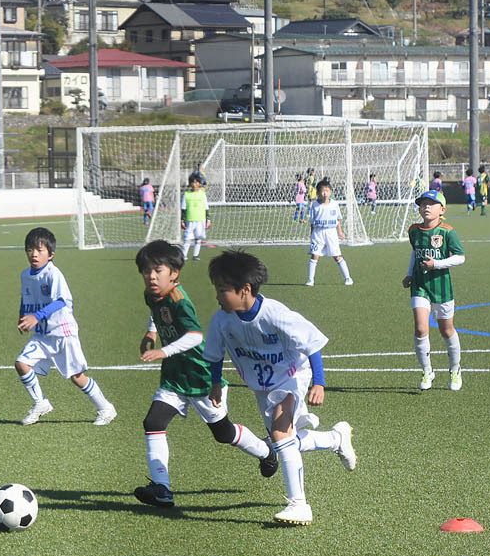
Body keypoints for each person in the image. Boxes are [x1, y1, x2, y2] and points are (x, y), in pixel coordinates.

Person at [203, 249, 357, 525]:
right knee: (286, 440)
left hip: (292, 376)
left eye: (223, 289)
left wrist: (319, 382)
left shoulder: (275, 314)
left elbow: (312, 343)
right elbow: (215, 354)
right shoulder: (221, 320)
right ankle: (336, 438)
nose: (217, 295)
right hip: (262, 386)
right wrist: (216, 383)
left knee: (279, 430)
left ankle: (299, 504)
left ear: (245, 289)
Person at [133, 240, 276, 509]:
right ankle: (162, 488)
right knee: (153, 422)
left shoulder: (179, 300)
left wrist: (163, 351)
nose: (151, 277)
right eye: (146, 271)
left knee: (223, 433)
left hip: (200, 377)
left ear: (174, 273)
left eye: (157, 271)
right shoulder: (151, 294)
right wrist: (151, 332)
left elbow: (194, 336)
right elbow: (155, 311)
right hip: (175, 378)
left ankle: (266, 451)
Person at [15, 227, 117, 426]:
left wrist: (36, 316)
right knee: (21, 364)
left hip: (63, 332)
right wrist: (22, 316)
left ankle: (106, 408)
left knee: (77, 377)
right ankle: (41, 403)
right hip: (42, 335)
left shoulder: (54, 274)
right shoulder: (25, 275)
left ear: (51, 254)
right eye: (29, 249)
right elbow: (25, 297)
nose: (34, 254)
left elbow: (62, 301)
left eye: (39, 250)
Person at [403, 190, 465, 391]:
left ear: (442, 209)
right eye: (422, 204)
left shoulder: (447, 231)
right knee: (421, 328)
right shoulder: (414, 230)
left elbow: (460, 257)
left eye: (431, 203)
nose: (426, 207)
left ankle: (455, 370)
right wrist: (410, 274)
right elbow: (415, 252)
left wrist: (436, 264)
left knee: (447, 331)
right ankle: (427, 370)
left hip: (441, 287)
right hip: (420, 286)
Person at [305, 179, 353, 287]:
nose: (325, 193)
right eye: (322, 191)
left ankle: (348, 277)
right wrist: (312, 235)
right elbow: (312, 222)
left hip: (331, 232)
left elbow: (338, 219)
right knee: (314, 256)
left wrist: (340, 231)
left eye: (327, 191)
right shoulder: (315, 205)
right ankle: (310, 280)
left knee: (337, 256)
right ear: (318, 193)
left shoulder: (334, 204)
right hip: (318, 233)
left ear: (330, 192)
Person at [180, 171, 209, 261]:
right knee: (187, 238)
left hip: (201, 219)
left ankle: (195, 255)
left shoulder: (202, 194)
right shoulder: (186, 194)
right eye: (193, 182)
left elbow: (206, 207)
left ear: (199, 183)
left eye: (196, 182)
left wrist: (208, 219)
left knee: (198, 238)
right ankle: (184, 255)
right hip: (190, 219)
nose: (194, 184)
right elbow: (183, 208)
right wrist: (182, 220)